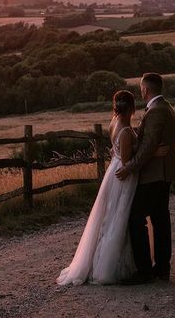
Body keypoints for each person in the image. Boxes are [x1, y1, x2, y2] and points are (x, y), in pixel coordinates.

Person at [56, 90, 138, 285]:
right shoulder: (126, 131)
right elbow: (127, 160)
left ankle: (99, 260)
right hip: (122, 174)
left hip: (112, 169)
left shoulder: (113, 122)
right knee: (118, 217)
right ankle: (109, 266)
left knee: (108, 215)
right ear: (132, 107)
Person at [116, 72, 175, 285]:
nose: (140, 91)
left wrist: (129, 168)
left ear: (145, 89)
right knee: (160, 220)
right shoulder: (165, 107)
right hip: (163, 173)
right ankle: (161, 268)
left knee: (136, 218)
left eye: (141, 88)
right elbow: (151, 146)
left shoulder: (156, 111)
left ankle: (145, 271)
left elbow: (148, 146)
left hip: (153, 175)